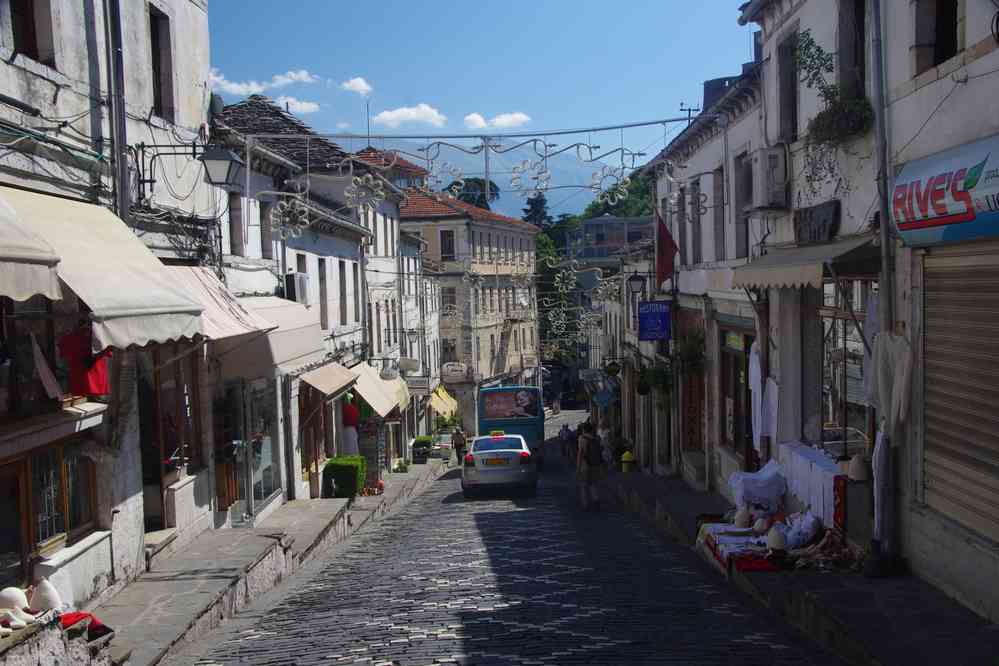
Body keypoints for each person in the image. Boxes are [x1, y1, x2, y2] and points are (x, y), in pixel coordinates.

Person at [576, 422, 605, 511]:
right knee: (593, 484)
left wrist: (578, 467)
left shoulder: (581, 438)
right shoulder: (597, 438)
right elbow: (601, 450)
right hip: (595, 464)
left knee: (583, 485)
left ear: (584, 429)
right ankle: (596, 501)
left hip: (585, 465)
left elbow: (580, 453)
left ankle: (585, 505)